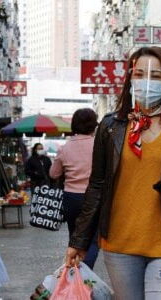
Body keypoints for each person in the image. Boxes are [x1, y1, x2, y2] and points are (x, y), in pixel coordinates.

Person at [65, 46, 161, 300]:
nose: (146, 82)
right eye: (140, 74)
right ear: (130, 78)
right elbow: (97, 186)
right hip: (120, 245)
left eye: (156, 76)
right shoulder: (110, 127)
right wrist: (79, 241)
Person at [49, 108, 99, 269]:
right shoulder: (99, 145)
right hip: (94, 197)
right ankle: (84, 272)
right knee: (93, 239)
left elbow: (54, 173)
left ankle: (77, 272)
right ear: (94, 125)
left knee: (75, 237)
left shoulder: (65, 147)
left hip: (71, 198)